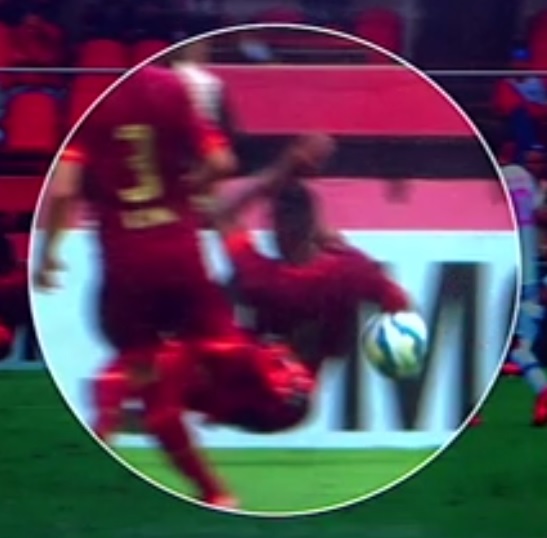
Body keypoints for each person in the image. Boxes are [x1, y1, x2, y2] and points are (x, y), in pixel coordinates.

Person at [33, 64, 250, 509]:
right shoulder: (173, 89)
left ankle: (212, 490)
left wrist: (48, 255)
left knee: (147, 378)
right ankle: (224, 410)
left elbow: (63, 191)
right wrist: (189, 188)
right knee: (226, 345)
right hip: (180, 256)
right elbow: (221, 163)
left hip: (126, 268)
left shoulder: (92, 98)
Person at [200, 134, 411, 392]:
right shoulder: (350, 270)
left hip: (259, 392)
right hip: (304, 390)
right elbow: (398, 301)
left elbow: (222, 213)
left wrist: (281, 169)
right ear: (313, 224)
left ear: (276, 229)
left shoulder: (259, 275)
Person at [501, 145, 547, 426]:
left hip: (508, 278)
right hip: (529, 278)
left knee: (516, 347)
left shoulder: (500, 178)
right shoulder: (524, 179)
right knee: (520, 346)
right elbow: (539, 215)